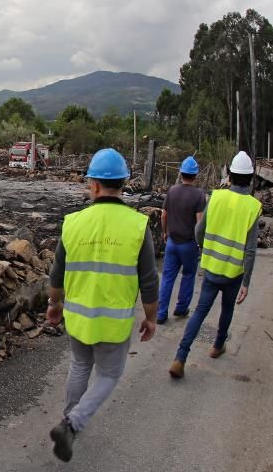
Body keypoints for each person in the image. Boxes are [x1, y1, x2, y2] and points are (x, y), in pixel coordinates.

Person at [46, 148, 159, 462]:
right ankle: (72, 423)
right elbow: (149, 280)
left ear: (93, 185)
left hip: (78, 318)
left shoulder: (73, 223)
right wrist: (151, 318)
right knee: (109, 375)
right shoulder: (138, 226)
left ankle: (69, 419)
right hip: (113, 323)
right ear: (122, 184)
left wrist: (54, 304)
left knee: (80, 365)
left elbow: (57, 274)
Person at [169, 151, 260, 379]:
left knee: (200, 311)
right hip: (233, 273)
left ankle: (180, 357)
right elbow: (249, 250)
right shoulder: (253, 207)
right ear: (250, 178)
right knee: (227, 308)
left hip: (211, 268)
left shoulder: (216, 197)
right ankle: (218, 345)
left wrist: (204, 247)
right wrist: (246, 283)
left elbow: (199, 231)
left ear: (229, 175)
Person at [156, 156, 206, 324]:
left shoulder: (172, 191)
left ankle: (161, 313)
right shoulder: (199, 195)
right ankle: (181, 308)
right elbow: (199, 223)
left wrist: (165, 232)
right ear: (195, 175)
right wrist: (200, 244)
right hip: (188, 244)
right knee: (188, 275)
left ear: (181, 173)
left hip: (172, 242)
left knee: (167, 277)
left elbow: (164, 215)